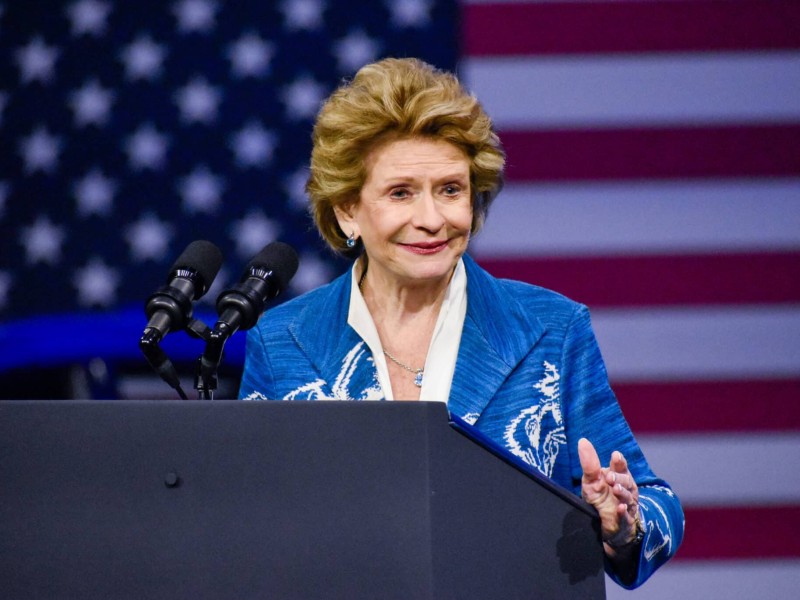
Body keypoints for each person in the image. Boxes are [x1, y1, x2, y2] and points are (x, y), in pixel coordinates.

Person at [239, 57, 684, 589]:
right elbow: (249, 521)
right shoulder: (282, 342)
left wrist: (624, 523)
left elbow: (658, 505)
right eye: (401, 193)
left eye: (450, 190)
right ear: (347, 211)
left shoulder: (552, 330)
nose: (432, 219)